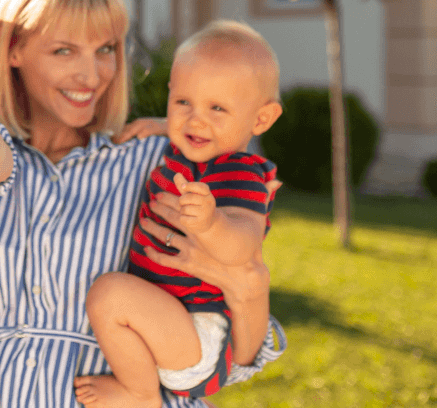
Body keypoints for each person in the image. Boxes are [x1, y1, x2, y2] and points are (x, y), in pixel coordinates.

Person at [0, 0, 287, 408]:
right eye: (64, 50)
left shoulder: (158, 161)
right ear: (14, 48)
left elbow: (233, 357)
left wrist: (250, 289)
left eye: (106, 50)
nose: (91, 74)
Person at [74, 20, 283, 407]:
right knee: (111, 298)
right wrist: (161, 126)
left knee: (110, 295)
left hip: (200, 329)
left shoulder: (239, 171)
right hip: (172, 319)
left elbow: (243, 244)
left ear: (261, 119)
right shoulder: (189, 151)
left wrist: (211, 223)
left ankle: (141, 395)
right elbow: (188, 126)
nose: (196, 120)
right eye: (184, 103)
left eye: (217, 108)